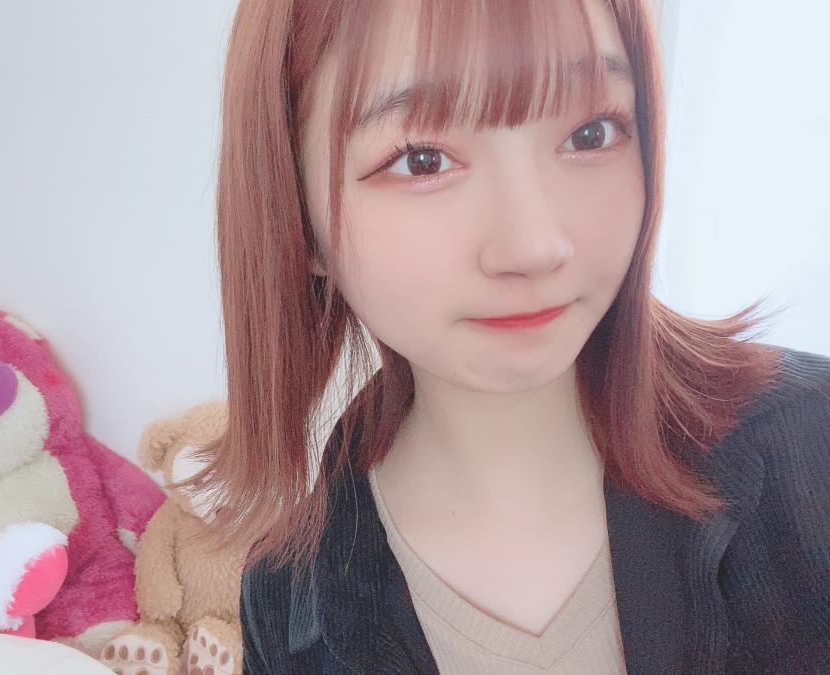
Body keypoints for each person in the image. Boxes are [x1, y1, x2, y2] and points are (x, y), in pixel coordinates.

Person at [182, 0, 830, 672]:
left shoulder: (812, 443)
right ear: (296, 213)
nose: (535, 246)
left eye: (591, 133)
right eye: (422, 160)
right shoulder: (285, 596)